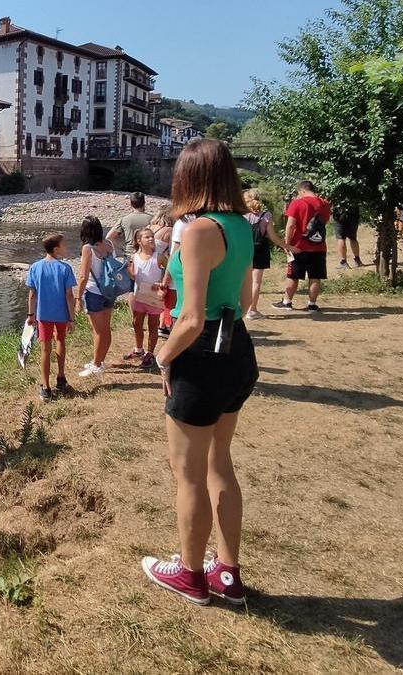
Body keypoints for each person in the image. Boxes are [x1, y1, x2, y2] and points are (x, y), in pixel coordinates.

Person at [141, 138, 258, 607]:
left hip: (200, 355)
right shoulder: (243, 225)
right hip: (237, 350)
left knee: (187, 474)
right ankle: (227, 574)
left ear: (189, 178)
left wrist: (164, 357)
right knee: (220, 463)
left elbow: (189, 319)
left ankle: (190, 576)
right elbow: (247, 299)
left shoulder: (197, 230)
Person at [25, 233, 77, 400]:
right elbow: (69, 295)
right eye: (64, 245)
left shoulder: (35, 267)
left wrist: (31, 315)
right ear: (56, 249)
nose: (66, 247)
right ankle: (61, 378)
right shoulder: (65, 268)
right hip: (61, 314)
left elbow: (32, 294)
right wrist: (71, 317)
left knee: (45, 349)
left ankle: (45, 386)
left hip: (43, 314)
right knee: (61, 341)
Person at [271, 180, 330, 313]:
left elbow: (290, 225)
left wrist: (287, 244)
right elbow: (324, 222)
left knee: (293, 276)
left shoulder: (297, 202)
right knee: (315, 276)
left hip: (299, 246)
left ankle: (287, 302)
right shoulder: (325, 204)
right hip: (319, 246)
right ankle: (312, 305)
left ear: (301, 191)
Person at [74, 216, 116, 377]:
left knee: (98, 331)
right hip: (109, 290)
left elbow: (84, 276)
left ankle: (96, 365)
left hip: (94, 292)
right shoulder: (109, 244)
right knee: (106, 328)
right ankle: (100, 360)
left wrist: (78, 298)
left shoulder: (87, 248)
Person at [126, 228, 168, 368]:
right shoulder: (134, 257)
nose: (151, 239)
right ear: (139, 241)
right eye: (147, 237)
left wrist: (163, 284)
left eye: (152, 237)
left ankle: (150, 353)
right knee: (137, 323)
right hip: (140, 296)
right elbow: (134, 276)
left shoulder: (159, 256)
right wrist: (129, 272)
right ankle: (138, 349)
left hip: (154, 297)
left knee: (153, 325)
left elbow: (170, 271)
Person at [243, 189, 287, 320]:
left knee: (243, 280)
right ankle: (253, 310)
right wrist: (285, 246)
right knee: (256, 282)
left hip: (244, 249)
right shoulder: (266, 215)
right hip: (260, 249)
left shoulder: (241, 215)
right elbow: (272, 236)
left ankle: (241, 308)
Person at [333, 203, 364, 268]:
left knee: (341, 238)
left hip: (340, 215)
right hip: (353, 214)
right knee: (353, 238)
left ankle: (344, 262)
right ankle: (357, 260)